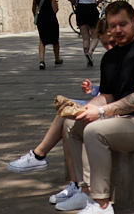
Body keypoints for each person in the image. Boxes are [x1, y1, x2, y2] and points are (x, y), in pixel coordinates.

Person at [58, 0, 134, 214]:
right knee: (72, 125)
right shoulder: (110, 58)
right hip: (126, 121)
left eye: (123, 24)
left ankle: (102, 206)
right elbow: (109, 95)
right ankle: (86, 191)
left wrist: (102, 112)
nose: (117, 30)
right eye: (113, 26)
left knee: (94, 131)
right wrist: (85, 109)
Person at [8, 18, 113, 177]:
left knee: (68, 120)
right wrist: (93, 90)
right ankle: (73, 183)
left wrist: (96, 106)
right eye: (105, 44)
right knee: (66, 115)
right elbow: (107, 91)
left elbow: (117, 96)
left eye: (111, 43)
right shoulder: (109, 60)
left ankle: (40, 155)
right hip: (104, 105)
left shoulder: (127, 58)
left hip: (114, 110)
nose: (109, 47)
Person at [65, 0, 106, 67]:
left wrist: (76, 1)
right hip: (91, 10)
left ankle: (87, 60)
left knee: (85, 38)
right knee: (95, 36)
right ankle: (90, 53)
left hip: (80, 11)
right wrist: (96, 2)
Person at [32, 0, 61, 69]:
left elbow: (33, 8)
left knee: (42, 40)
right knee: (55, 40)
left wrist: (36, 17)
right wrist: (56, 4)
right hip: (51, 20)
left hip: (41, 20)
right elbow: (54, 10)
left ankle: (42, 60)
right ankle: (57, 59)